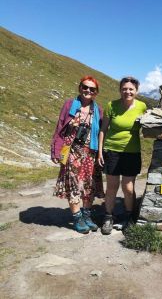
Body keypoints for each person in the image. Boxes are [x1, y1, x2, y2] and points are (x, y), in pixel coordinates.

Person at [51, 75, 104, 233]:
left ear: (96, 92)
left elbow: (102, 132)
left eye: (92, 89)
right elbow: (60, 127)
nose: (88, 91)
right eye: (85, 87)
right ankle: (77, 218)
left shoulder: (98, 110)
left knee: (89, 185)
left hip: (91, 152)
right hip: (72, 150)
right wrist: (55, 150)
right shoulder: (70, 105)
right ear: (80, 88)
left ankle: (87, 215)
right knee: (73, 184)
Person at [98, 76, 147, 235]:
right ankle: (108, 216)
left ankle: (129, 216)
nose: (127, 91)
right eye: (124, 88)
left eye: (131, 89)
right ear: (120, 90)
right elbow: (103, 129)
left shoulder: (142, 106)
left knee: (128, 187)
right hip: (112, 150)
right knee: (112, 186)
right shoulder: (111, 105)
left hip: (132, 152)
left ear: (136, 91)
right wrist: (100, 151)